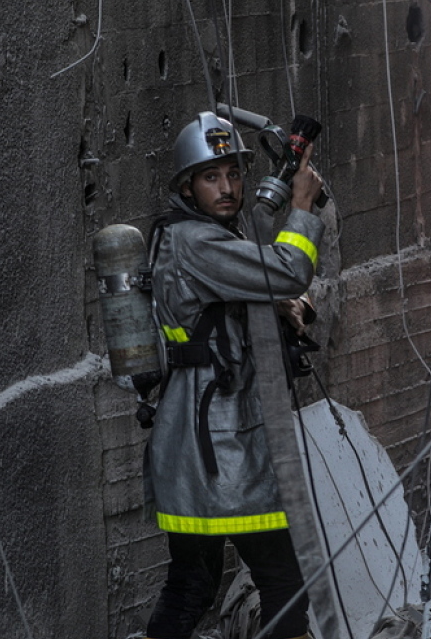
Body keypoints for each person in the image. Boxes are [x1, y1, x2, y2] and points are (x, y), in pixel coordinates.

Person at [143, 110, 325, 639]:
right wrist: (302, 207)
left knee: (192, 582)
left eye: (234, 174)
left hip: (198, 443)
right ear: (186, 186)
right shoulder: (198, 242)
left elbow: (236, 304)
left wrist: (276, 311)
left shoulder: (205, 234)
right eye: (211, 177)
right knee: (283, 578)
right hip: (221, 449)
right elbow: (288, 269)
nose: (227, 187)